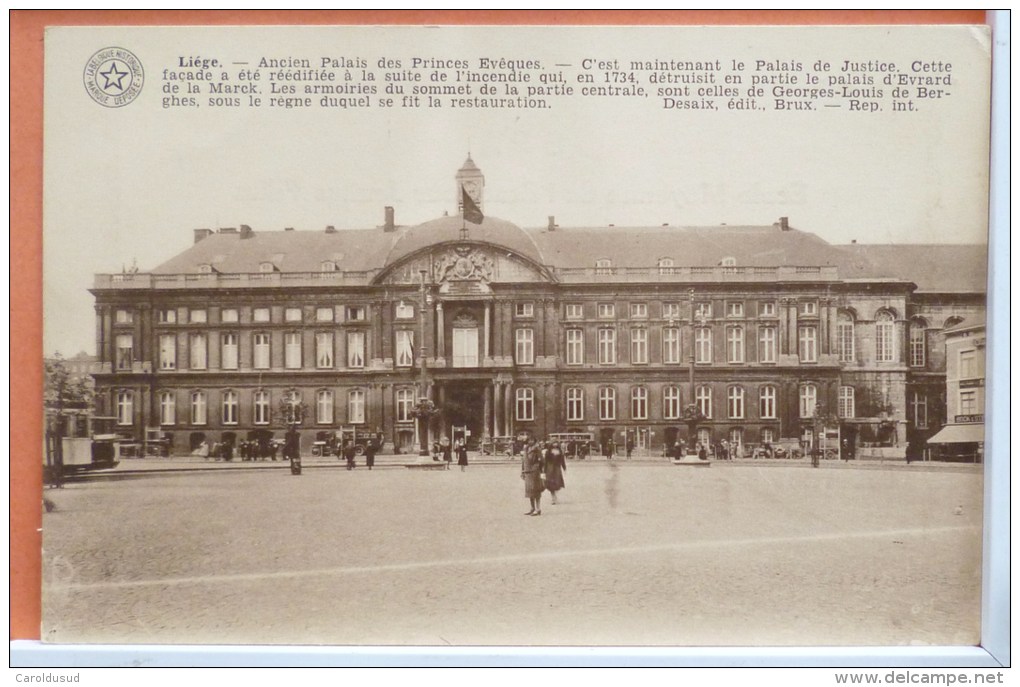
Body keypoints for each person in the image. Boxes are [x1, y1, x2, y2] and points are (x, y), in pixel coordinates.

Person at [521, 442, 544, 516]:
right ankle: (532, 508)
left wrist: (541, 471)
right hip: (527, 472)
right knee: (529, 491)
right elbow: (523, 462)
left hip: (535, 472)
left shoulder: (537, 450)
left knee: (536, 490)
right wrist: (522, 471)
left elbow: (542, 461)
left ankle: (538, 509)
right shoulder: (526, 449)